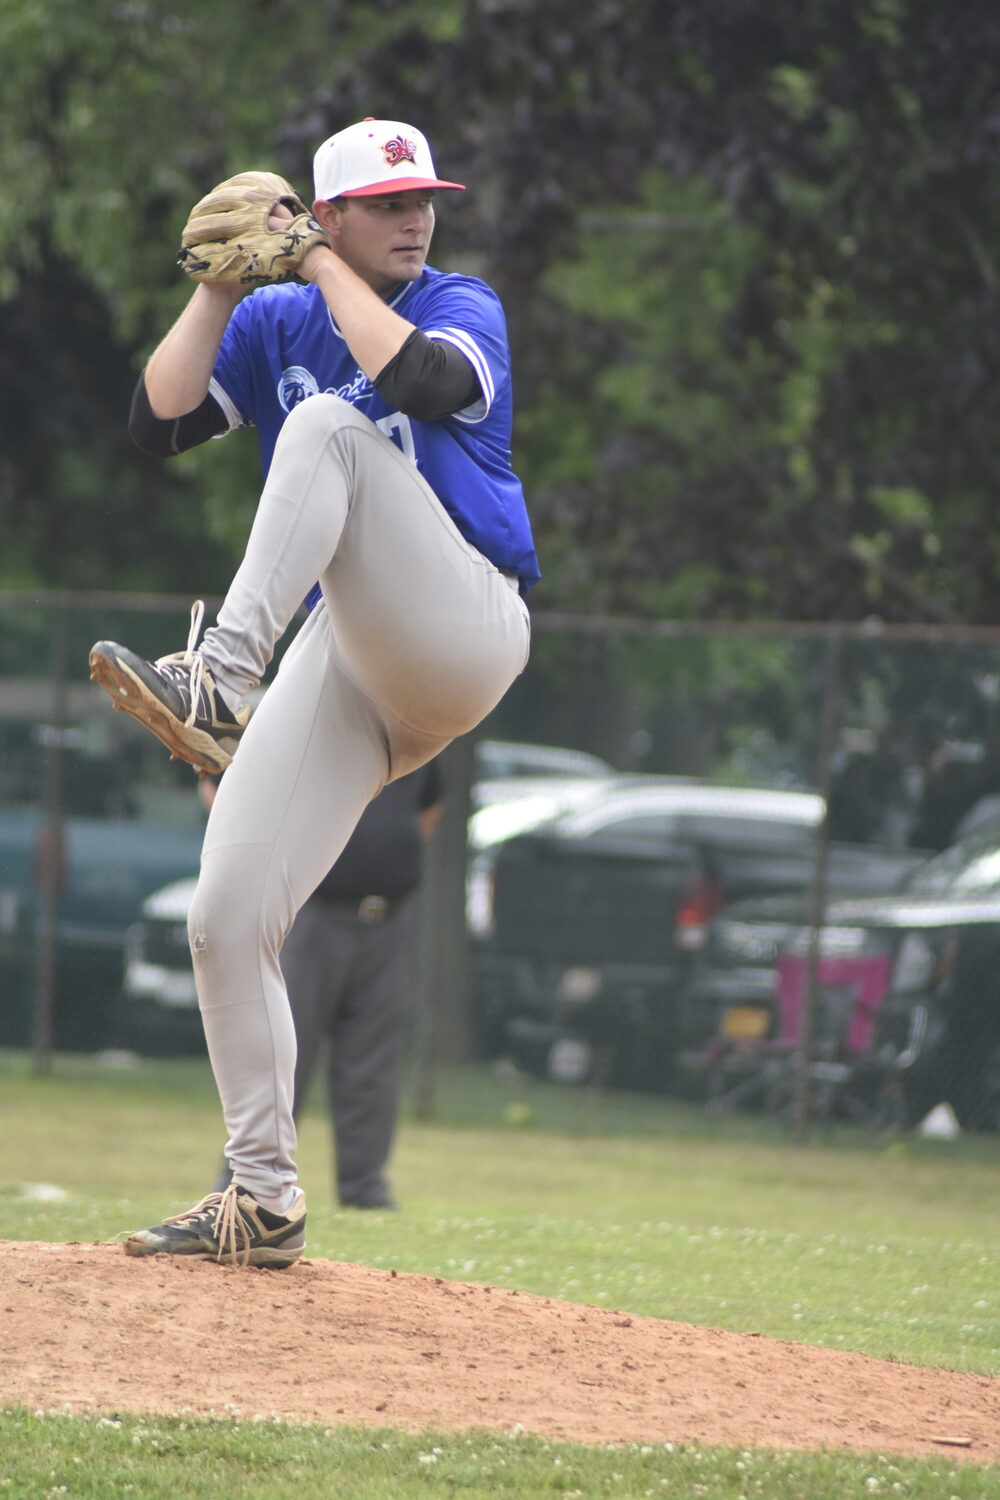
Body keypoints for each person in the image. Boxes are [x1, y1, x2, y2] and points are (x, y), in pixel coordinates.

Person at [88, 118, 538, 1267]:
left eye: (422, 199)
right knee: (225, 916)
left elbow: (423, 381)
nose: (414, 217)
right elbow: (160, 423)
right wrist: (216, 291)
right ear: (328, 212)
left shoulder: (457, 304)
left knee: (333, 428)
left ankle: (220, 681)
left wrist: (320, 263)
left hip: (461, 623)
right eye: (386, 203)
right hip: (352, 665)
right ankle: (262, 1194)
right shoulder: (282, 317)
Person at [209, 760, 443, 1211]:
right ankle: (245, 1182)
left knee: (372, 1062)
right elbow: (220, 790)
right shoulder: (308, 708)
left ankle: (365, 1190)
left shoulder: (411, 717)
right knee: (280, 1051)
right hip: (308, 914)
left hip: (387, 919)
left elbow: (428, 810)